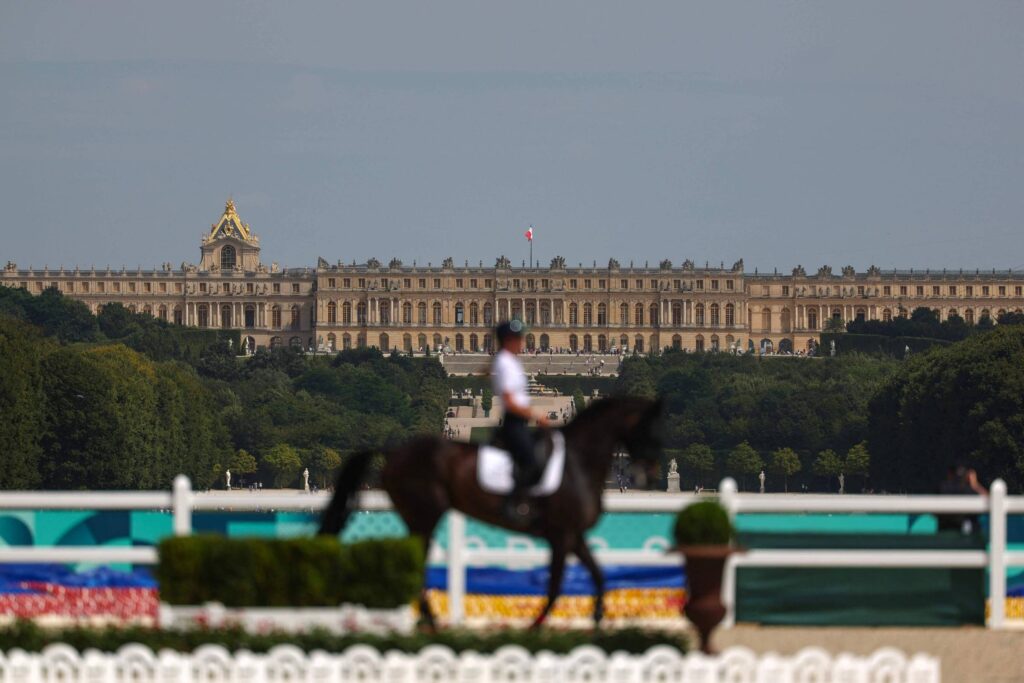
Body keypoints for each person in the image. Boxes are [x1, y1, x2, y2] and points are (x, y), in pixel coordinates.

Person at [492, 320, 550, 520]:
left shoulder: (511, 361)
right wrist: (535, 415)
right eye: (519, 338)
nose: (522, 342)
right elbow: (509, 401)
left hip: (521, 421)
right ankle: (513, 505)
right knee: (531, 461)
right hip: (514, 422)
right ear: (508, 340)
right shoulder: (505, 362)